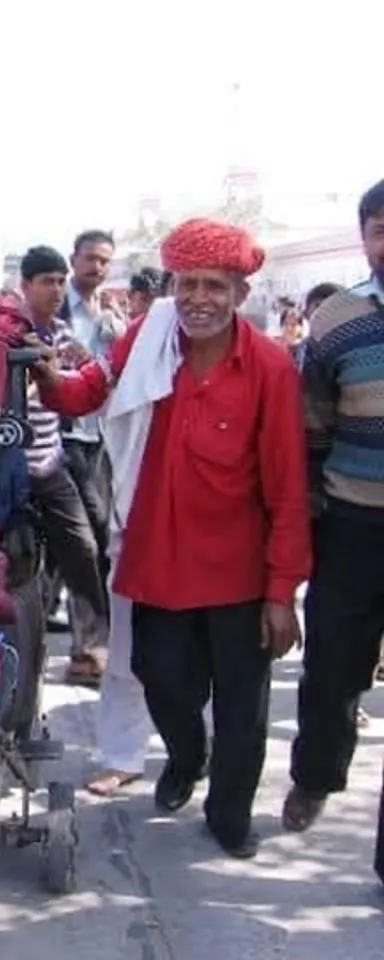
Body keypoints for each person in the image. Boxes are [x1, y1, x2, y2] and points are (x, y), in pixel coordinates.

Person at [33, 218, 310, 858]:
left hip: (239, 575)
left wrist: (281, 593)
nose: (198, 300)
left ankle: (230, 814)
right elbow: (88, 393)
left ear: (240, 293)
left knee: (243, 706)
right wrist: (49, 380)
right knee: (162, 683)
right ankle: (188, 757)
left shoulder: (268, 368)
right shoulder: (148, 337)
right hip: (156, 562)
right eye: (188, 285)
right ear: (173, 288)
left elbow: (289, 490)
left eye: (215, 286)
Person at [288, 180, 384, 834]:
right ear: (365, 238)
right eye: (381, 229)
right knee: (332, 668)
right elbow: (313, 426)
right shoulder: (336, 321)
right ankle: (316, 776)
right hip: (354, 525)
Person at [18, 246, 109, 689]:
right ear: (25, 286)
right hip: (8, 468)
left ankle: (90, 650)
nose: (55, 290)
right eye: (46, 282)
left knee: (85, 549)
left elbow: (87, 380)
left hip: (50, 463)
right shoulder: (7, 333)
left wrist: (69, 370)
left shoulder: (61, 334)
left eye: (59, 280)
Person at [54, 229, 120, 686]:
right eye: (90, 258)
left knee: (94, 541)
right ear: (74, 259)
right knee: (82, 542)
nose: (96, 267)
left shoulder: (111, 318)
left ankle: (89, 648)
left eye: (104, 261)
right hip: (57, 438)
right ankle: (86, 649)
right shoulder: (54, 310)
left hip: (99, 439)